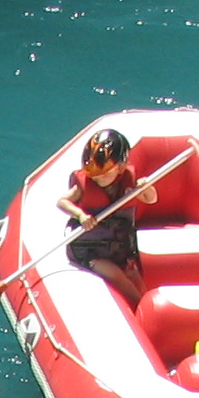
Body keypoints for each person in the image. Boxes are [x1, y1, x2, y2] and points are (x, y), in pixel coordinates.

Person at [59, 127, 153, 306]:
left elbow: (151, 199)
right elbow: (62, 202)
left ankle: (145, 304)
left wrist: (146, 187)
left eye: (103, 175)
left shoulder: (129, 183)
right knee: (116, 275)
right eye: (94, 175)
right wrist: (80, 215)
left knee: (134, 275)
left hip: (120, 247)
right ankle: (142, 307)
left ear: (121, 167)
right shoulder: (84, 186)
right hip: (89, 251)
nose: (97, 179)